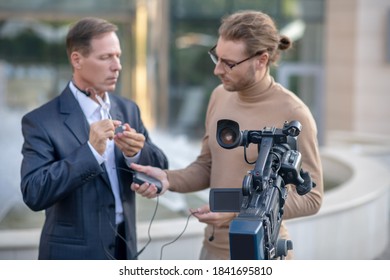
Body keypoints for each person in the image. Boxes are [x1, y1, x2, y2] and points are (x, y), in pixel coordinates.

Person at [131, 10, 323, 260]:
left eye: (229, 63)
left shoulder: (294, 114)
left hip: (264, 256)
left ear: (261, 60)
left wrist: (237, 212)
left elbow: (311, 198)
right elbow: (207, 165)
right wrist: (168, 179)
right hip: (211, 252)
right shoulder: (219, 96)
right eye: (216, 57)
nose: (217, 70)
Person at [20, 17, 168, 260]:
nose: (117, 65)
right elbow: (34, 193)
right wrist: (90, 152)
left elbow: (161, 167)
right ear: (76, 59)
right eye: (106, 57)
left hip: (126, 250)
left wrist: (136, 154)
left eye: (118, 56)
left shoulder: (128, 109)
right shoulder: (41, 121)